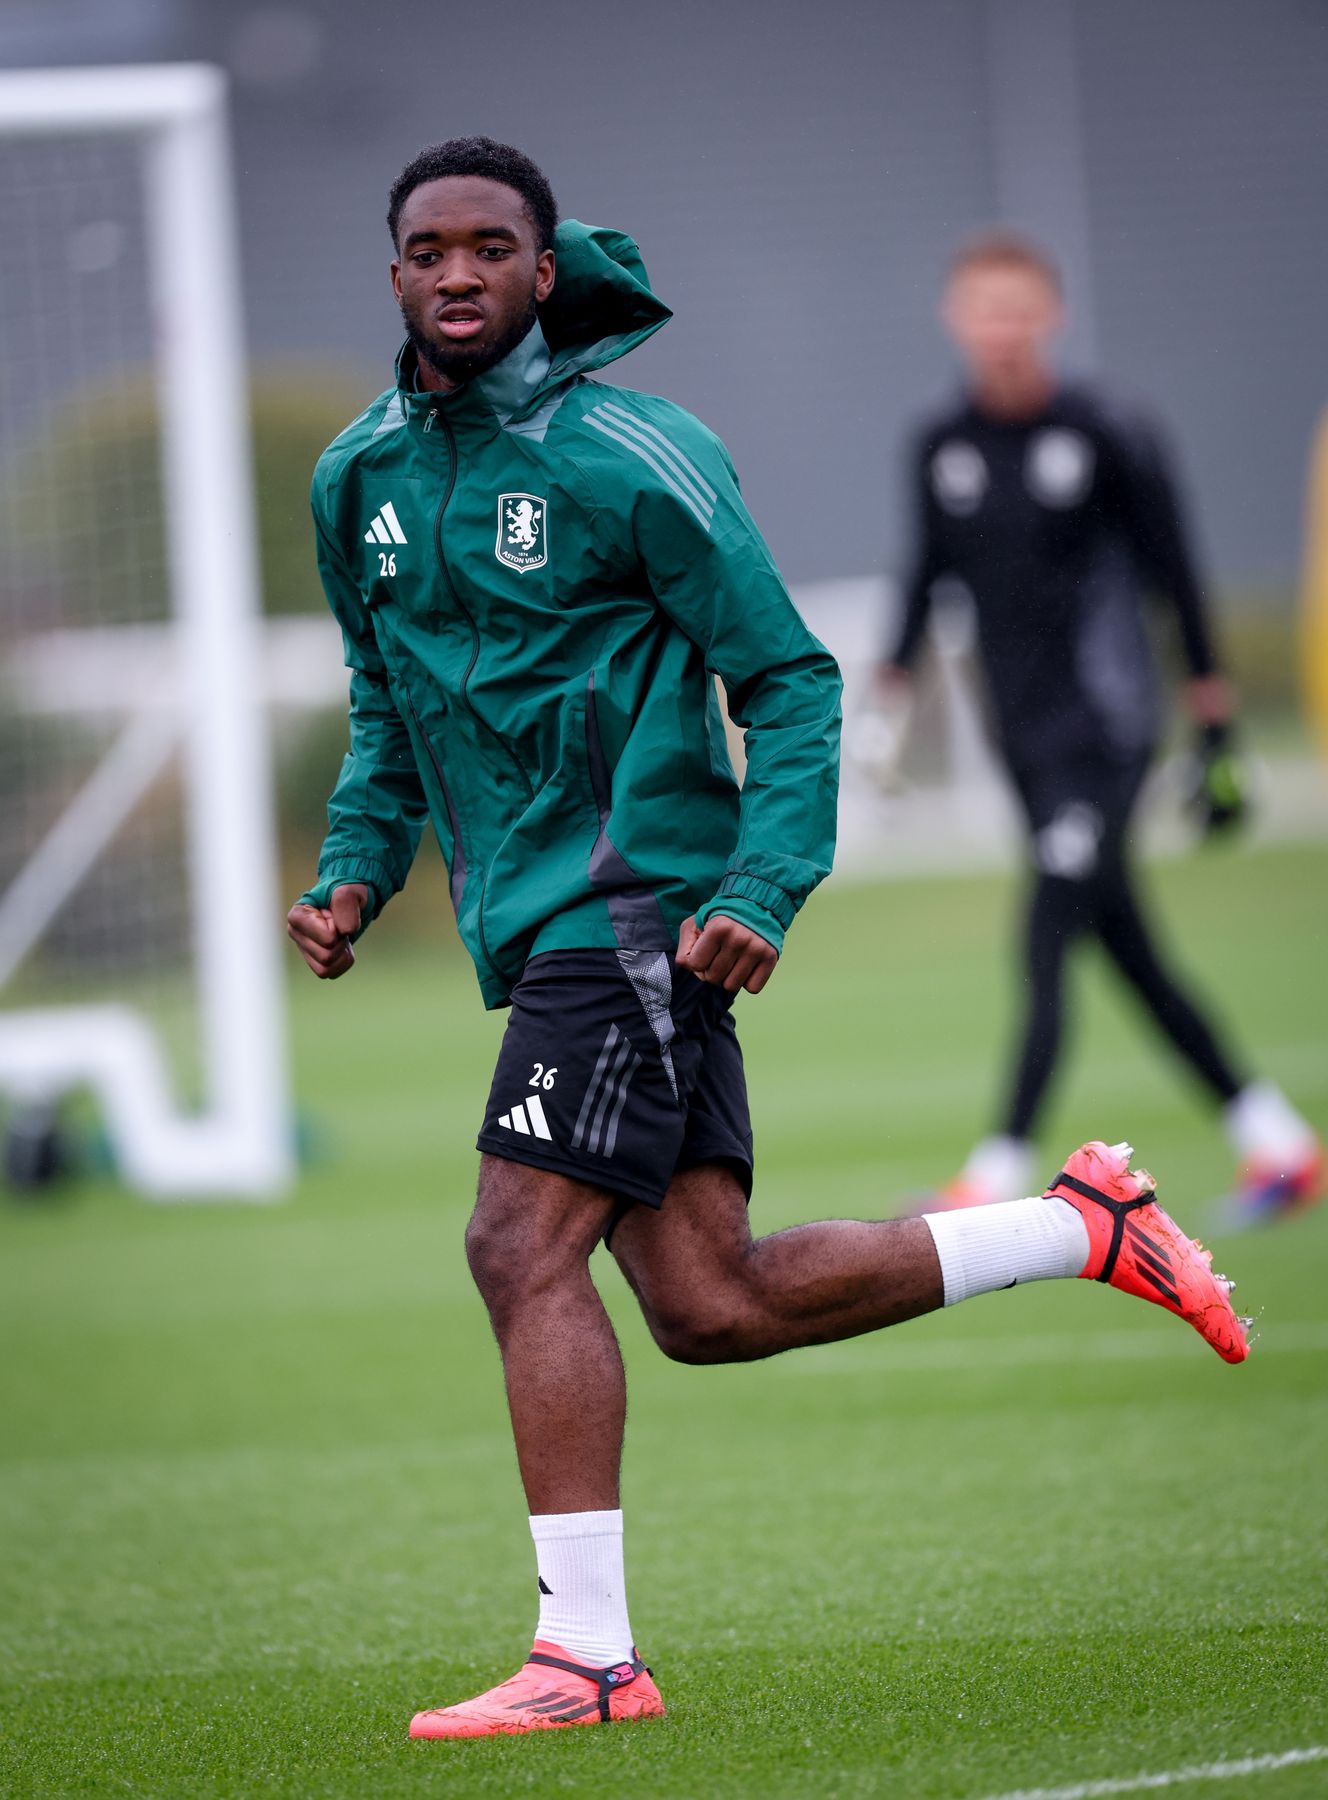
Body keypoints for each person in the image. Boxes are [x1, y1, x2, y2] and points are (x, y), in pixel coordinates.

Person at [288, 146, 1251, 1742]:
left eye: (489, 247)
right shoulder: (358, 482)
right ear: (393, 273)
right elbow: (389, 707)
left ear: (544, 269)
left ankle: (588, 1657)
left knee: (514, 1246)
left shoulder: (629, 454)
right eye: (423, 248)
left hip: (638, 910)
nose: (455, 273)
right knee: (707, 1305)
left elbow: (791, 681)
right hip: (537, 930)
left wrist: (761, 884)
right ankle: (1083, 1227)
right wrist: (351, 870)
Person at [875, 233, 1324, 1224]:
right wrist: (889, 686)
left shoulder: (1110, 428)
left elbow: (1175, 570)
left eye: (1017, 307)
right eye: (982, 308)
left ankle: (988, 1177)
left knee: (1043, 933)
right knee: (1125, 948)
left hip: (1109, 728)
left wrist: (1211, 719)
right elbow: (923, 573)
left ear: (1050, 316)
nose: (1000, 328)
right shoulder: (937, 444)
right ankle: (1280, 1147)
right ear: (956, 321)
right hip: (1023, 743)